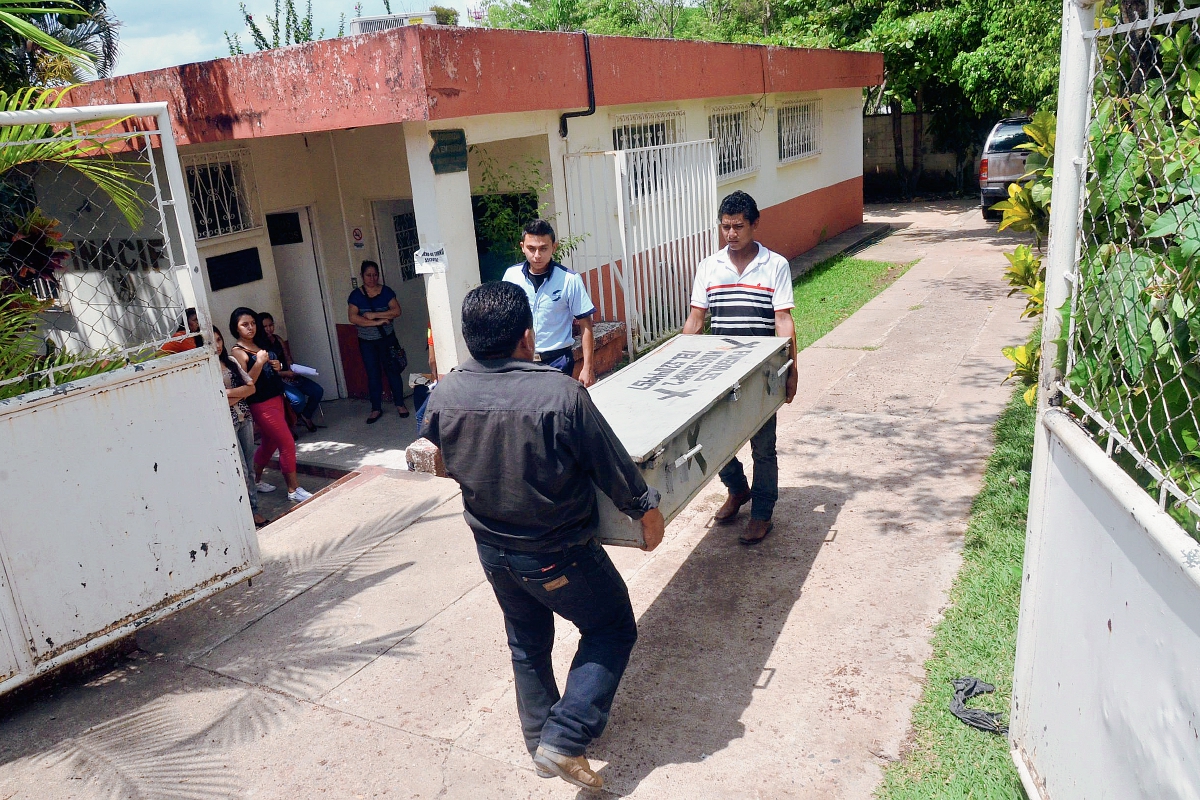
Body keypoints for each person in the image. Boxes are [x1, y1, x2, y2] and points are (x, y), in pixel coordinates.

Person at [421, 281, 665, 791]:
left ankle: (540, 742)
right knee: (612, 625)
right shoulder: (559, 394)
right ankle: (565, 736)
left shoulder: (445, 392)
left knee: (527, 640)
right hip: (557, 553)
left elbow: (434, 447)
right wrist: (645, 510)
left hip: (492, 549)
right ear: (527, 338)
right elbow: (611, 465)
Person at [681, 190, 798, 545]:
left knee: (763, 447)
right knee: (711, 439)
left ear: (754, 224)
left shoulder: (775, 265)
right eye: (725, 227)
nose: (731, 233)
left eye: (738, 226)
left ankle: (762, 513)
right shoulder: (709, 266)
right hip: (719, 370)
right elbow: (697, 318)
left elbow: (783, 320)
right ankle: (737, 489)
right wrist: (680, 358)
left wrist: (792, 368)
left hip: (762, 372)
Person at [228, 307, 314, 504]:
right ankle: (293, 489)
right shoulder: (238, 351)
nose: (250, 328)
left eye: (252, 323)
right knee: (286, 442)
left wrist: (277, 367)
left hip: (277, 398)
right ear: (236, 328)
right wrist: (259, 363)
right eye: (244, 324)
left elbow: (273, 369)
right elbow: (247, 381)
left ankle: (256, 480)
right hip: (261, 404)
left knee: (270, 442)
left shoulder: (259, 344)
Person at [502, 219, 597, 387]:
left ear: (554, 247)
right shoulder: (511, 276)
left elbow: (586, 324)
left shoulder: (569, 280)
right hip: (521, 360)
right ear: (522, 246)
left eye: (543, 248)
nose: (537, 255)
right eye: (531, 248)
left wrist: (587, 367)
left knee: (555, 410)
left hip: (557, 362)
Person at [213, 326, 268, 528]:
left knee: (250, 469)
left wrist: (228, 392)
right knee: (241, 471)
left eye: (218, 340)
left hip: (245, 418)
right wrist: (237, 394)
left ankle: (254, 510)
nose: (216, 345)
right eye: (211, 341)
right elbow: (218, 402)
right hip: (227, 423)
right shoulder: (205, 370)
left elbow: (251, 387)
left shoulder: (231, 361)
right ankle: (246, 513)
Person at [347, 260, 408, 423]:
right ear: (362, 276)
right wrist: (376, 322)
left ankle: (400, 404)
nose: (372, 278)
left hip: (387, 340)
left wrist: (375, 316)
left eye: (375, 275)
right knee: (373, 374)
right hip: (367, 342)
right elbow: (353, 318)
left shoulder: (386, 292)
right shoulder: (356, 295)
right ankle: (375, 408)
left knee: (393, 371)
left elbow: (397, 311)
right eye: (368, 275)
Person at [256, 311, 324, 432]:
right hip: (276, 379)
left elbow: (288, 357)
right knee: (298, 400)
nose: (269, 329)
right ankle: (288, 422)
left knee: (317, 391)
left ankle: (306, 415)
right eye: (265, 326)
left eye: (271, 325)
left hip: (291, 374)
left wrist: (292, 369)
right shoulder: (258, 346)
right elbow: (267, 371)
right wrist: (284, 374)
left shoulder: (278, 339)